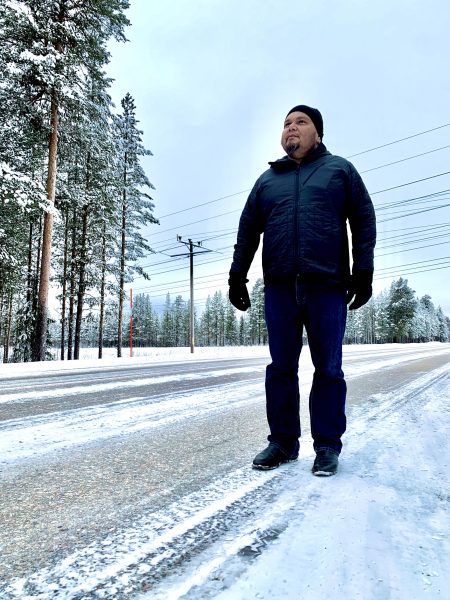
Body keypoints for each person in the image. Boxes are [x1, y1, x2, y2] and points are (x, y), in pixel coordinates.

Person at [228, 104, 376, 476]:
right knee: (280, 368)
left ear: (318, 134)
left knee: (328, 368)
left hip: (326, 286)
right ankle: (282, 442)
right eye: (286, 123)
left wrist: (364, 270)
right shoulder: (267, 181)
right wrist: (236, 276)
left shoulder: (339, 170)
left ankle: (326, 446)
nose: (291, 127)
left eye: (301, 122)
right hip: (279, 288)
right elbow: (248, 231)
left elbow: (363, 218)